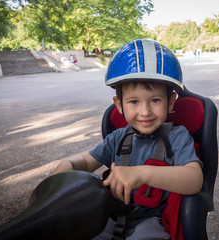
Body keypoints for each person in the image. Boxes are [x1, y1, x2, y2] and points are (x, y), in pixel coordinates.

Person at [53, 39, 203, 239]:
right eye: (133, 101)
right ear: (119, 104)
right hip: (110, 219)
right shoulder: (118, 137)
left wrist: (143, 174)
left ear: (171, 102)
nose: (145, 111)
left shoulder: (177, 137)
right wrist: (69, 164)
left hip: (152, 223)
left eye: (155, 100)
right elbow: (88, 162)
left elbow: (194, 180)